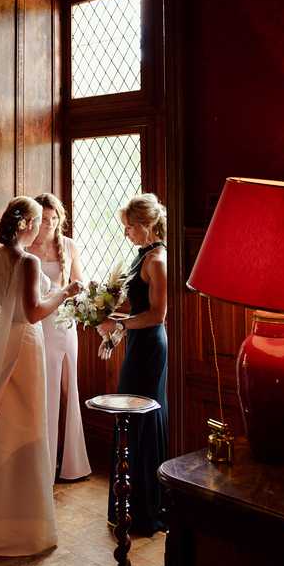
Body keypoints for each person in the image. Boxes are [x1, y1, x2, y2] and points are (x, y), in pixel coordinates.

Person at [0, 196, 81, 556]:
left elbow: (3, 305)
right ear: (27, 225)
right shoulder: (26, 260)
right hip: (25, 345)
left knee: (11, 429)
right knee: (29, 427)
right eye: (38, 221)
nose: (41, 227)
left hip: (5, 343)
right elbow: (34, 312)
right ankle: (27, 527)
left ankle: (1, 522)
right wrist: (65, 292)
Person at [97, 193, 168, 535]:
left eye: (130, 227)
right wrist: (112, 330)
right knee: (129, 417)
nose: (127, 233)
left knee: (141, 418)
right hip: (137, 343)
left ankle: (145, 510)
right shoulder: (142, 256)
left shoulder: (158, 261)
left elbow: (157, 315)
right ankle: (129, 504)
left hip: (151, 347)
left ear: (147, 225)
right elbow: (131, 309)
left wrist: (121, 325)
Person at [31, 193, 91, 481]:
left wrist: (83, 297)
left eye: (54, 219)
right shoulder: (26, 247)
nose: (50, 224)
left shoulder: (68, 245)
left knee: (69, 389)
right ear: (33, 219)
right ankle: (43, 460)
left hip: (64, 325)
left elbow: (78, 283)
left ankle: (72, 462)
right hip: (37, 324)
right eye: (44, 219)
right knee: (43, 391)